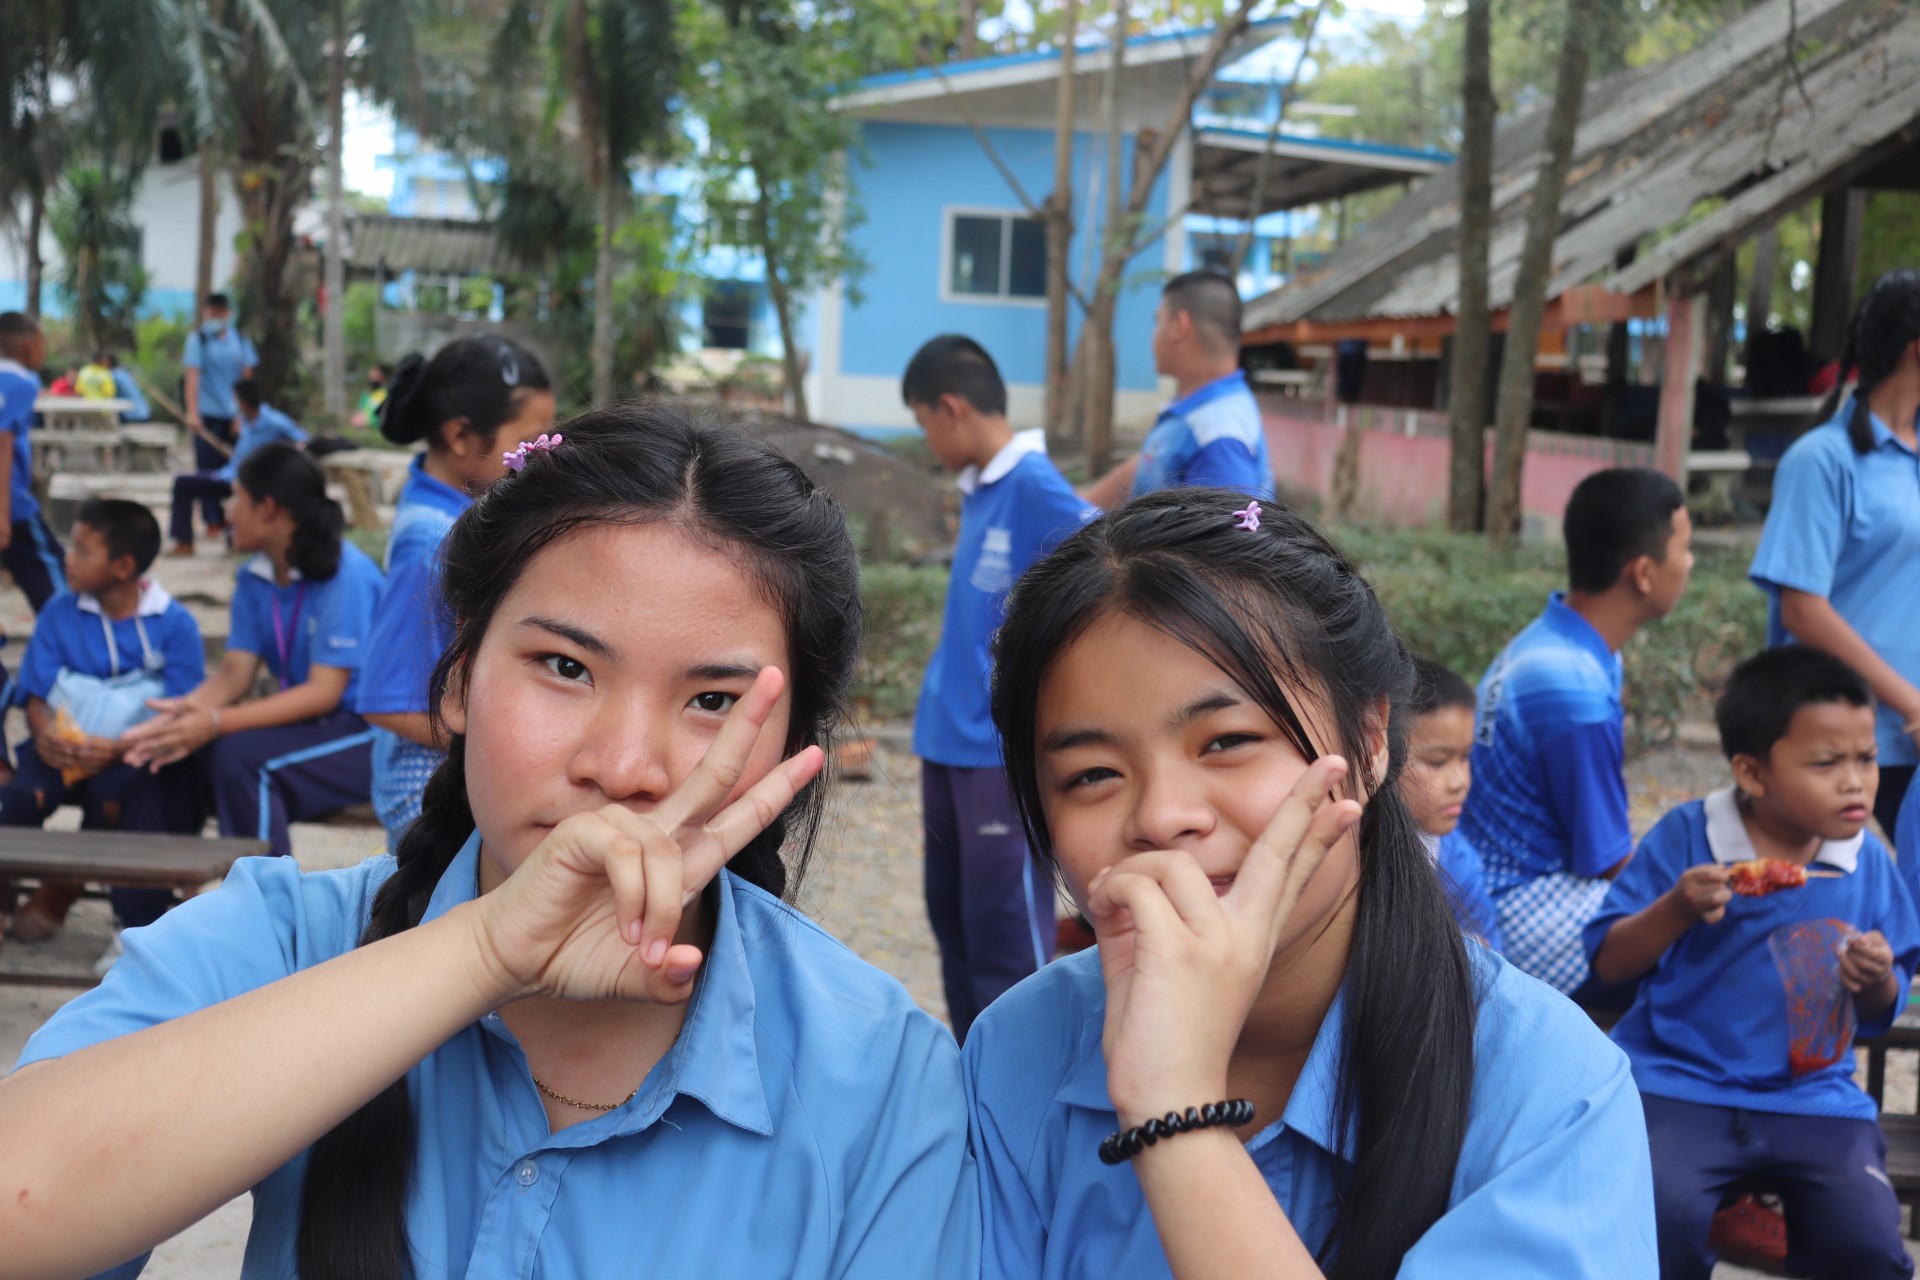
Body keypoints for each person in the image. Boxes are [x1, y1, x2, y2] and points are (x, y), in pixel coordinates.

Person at [0, 408, 978, 1280]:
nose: (623, 766)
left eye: (715, 700)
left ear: (796, 745)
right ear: (461, 671)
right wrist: (482, 950)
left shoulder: (882, 1077)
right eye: (566, 666)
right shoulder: (285, 942)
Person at [965, 489, 1655, 1278]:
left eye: (1227, 740)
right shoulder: (1016, 1052)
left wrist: (1175, 1109)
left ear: (1370, 739)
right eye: (1092, 773)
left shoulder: (1553, 1091)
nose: (1161, 816)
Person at [1585, 646, 1919, 1280]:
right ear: (1753, 772)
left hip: (1814, 1097)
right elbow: (1608, 962)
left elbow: (1887, 999)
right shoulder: (1689, 836)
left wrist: (1878, 978)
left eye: (1867, 758)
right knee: (1657, 1221)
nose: (1856, 781)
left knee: (1868, 1248)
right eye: (1826, 763)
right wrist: (1675, 909)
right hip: (1680, 1083)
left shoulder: (1866, 861)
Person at [902, 335, 1095, 1041]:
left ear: (951, 409)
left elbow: (1107, 569)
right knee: (953, 920)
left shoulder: (1034, 487)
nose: (928, 440)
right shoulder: (982, 489)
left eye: (924, 421)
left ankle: (1031, 1079)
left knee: (1005, 934)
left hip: (994, 751)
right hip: (945, 739)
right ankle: (971, 1072)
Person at [1460, 467, 1693, 997]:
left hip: (1495, 877)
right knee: (1707, 949)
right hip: (1516, 907)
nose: (1690, 564)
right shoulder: (1572, 688)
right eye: (1685, 548)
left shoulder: (1560, 638)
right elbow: (1607, 859)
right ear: (1642, 572)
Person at [124, 444, 381, 857]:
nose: (227, 509)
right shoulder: (254, 577)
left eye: (236, 496)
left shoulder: (346, 576)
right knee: (175, 752)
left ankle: (267, 897)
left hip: (369, 732)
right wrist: (185, 714)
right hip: (313, 727)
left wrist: (215, 722)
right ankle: (156, 889)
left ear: (268, 508)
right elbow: (234, 674)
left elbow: (324, 693)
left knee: (243, 760)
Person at [357, 337, 554, 847]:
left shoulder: (461, 513)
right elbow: (386, 700)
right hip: (427, 788)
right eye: (527, 442)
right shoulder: (429, 542)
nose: (538, 458)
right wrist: (509, 750)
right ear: (461, 435)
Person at [1750, 269, 1920, 837]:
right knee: (1822, 883)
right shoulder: (1823, 459)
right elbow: (1803, 609)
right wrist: (1910, 704)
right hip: (1842, 731)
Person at [0, 500, 205, 945]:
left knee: (111, 798)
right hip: (58, 751)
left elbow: (182, 711)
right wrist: (43, 734)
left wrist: (117, 749)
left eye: (82, 550)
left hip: (132, 755)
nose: (67, 559)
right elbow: (35, 695)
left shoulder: (174, 624)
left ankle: (64, 888)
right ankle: (3, 893)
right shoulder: (59, 612)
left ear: (123, 566)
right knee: (21, 797)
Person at [1079, 271, 1273, 508]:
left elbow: (1225, 530)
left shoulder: (1218, 434)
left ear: (1179, 326)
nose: (1153, 334)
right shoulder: (1199, 406)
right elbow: (1146, 465)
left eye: (1158, 320)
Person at [1403, 655, 1504, 951]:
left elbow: (1490, 953)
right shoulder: (1345, 851)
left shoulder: (1457, 862)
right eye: (1437, 762)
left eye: (1465, 757)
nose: (1459, 782)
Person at [167, 379, 307, 556]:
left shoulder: (275, 422)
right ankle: (184, 543)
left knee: (235, 539)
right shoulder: (245, 420)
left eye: (235, 400)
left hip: (252, 484)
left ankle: (233, 536)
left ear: (244, 402)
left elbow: (304, 443)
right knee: (183, 482)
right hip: (228, 477)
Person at [0, 312, 68, 612]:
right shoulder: (22, 383)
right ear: (28, 347)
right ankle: (70, 638)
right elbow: (2, 443)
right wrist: (3, 514)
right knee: (54, 585)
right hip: (12, 505)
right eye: (43, 344)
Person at [181, 292, 259, 536]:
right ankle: (212, 520)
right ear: (206, 313)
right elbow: (192, 377)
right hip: (207, 415)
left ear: (228, 314)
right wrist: (192, 413)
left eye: (220, 313)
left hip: (234, 416)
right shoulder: (199, 340)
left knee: (236, 468)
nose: (215, 317)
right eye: (211, 313)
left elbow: (246, 379)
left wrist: (242, 415)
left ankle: (236, 519)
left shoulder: (240, 340)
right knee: (207, 470)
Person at [105, 353, 150, 422]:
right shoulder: (124, 373)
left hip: (132, 416)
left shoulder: (113, 376)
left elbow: (108, 395)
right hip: (144, 413)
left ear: (108, 362)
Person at [351, 362, 390, 429]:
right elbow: (359, 414)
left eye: (376, 376)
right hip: (365, 430)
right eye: (372, 376)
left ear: (384, 377)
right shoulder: (366, 395)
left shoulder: (388, 394)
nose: (373, 379)